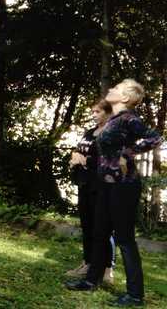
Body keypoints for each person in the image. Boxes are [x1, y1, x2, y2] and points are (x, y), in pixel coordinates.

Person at [66, 79, 163, 307]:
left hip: (124, 185)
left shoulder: (129, 118)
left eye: (116, 89)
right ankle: (91, 281)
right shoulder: (113, 121)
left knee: (124, 239)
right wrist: (83, 157)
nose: (111, 90)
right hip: (105, 184)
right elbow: (105, 154)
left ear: (126, 98)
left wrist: (127, 153)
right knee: (99, 233)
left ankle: (135, 294)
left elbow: (155, 138)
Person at [65, 100, 115, 284]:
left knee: (101, 228)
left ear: (108, 113)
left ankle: (107, 269)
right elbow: (79, 150)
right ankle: (87, 263)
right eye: (92, 111)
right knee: (87, 226)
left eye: (97, 111)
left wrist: (85, 160)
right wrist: (75, 158)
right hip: (84, 184)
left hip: (101, 186)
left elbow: (108, 161)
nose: (93, 115)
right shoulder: (90, 132)